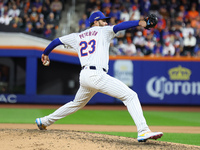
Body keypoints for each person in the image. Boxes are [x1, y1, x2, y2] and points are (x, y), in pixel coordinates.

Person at [35, 11, 163, 142]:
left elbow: (57, 41)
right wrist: (141, 23)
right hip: (96, 75)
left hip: (84, 76)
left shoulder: (78, 36)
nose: (106, 22)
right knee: (130, 96)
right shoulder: (103, 31)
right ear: (95, 22)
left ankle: (44, 121)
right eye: (103, 20)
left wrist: (46, 53)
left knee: (76, 104)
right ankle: (143, 130)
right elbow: (121, 26)